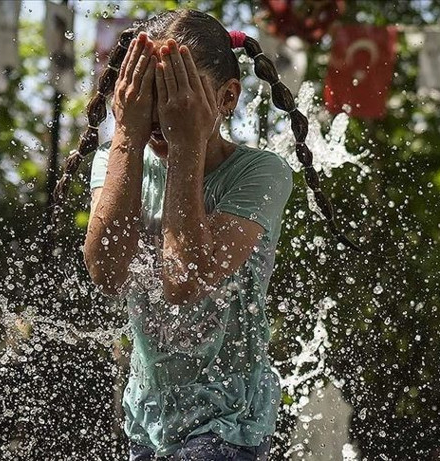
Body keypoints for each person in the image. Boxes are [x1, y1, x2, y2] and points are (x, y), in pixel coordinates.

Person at [54, 9, 347, 460]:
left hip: (230, 423)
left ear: (227, 98)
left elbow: (184, 283)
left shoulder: (259, 173)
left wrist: (187, 146)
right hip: (146, 419)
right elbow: (106, 273)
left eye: (179, 97)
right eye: (149, 97)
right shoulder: (119, 159)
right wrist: (128, 136)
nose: (162, 115)